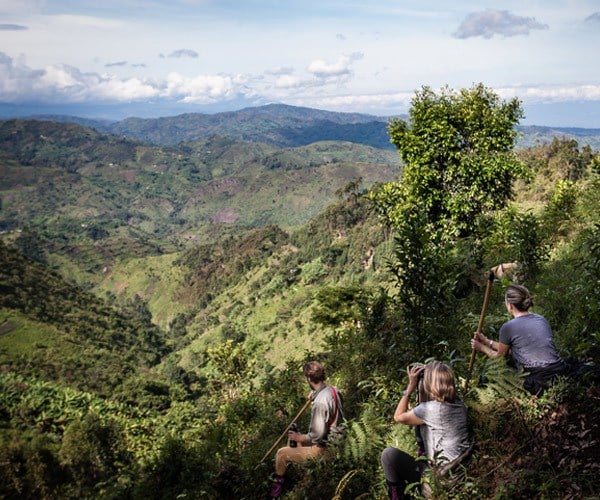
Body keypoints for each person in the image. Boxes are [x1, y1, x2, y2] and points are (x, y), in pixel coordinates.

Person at [381, 361, 470, 499]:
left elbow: (398, 417)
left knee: (388, 455)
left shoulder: (430, 410)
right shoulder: (460, 404)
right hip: (459, 476)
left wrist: (410, 388)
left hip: (439, 482)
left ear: (430, 384)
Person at [471, 284, 568, 395]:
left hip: (537, 374)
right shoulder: (541, 319)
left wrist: (481, 348)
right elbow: (519, 349)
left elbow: (500, 357)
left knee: (503, 368)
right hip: (558, 368)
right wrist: (487, 341)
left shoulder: (508, 327)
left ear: (510, 305)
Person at [268, 360, 344, 498]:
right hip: (340, 441)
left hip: (326, 448)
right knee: (294, 441)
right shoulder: (334, 390)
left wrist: (299, 437)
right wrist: (314, 394)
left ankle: (276, 492)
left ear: (308, 379)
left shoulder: (320, 402)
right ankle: (298, 475)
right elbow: (328, 404)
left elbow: (317, 436)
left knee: (281, 453)